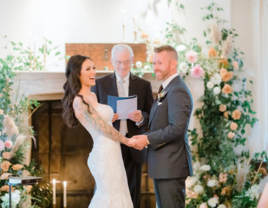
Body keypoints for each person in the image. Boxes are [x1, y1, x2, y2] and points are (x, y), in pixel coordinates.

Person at [62, 55, 134, 208]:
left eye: (94, 68)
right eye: (88, 69)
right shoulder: (79, 101)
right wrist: (128, 141)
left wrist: (109, 118)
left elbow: (101, 122)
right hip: (104, 154)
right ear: (77, 74)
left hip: (112, 150)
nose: (93, 72)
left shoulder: (92, 95)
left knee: (119, 193)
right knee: (109, 196)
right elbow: (102, 128)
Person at [91, 44, 154, 208]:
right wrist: (106, 120)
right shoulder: (99, 84)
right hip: (109, 146)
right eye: (118, 62)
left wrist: (141, 117)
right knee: (108, 192)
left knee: (133, 195)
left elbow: (151, 115)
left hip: (134, 145)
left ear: (132, 61)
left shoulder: (143, 85)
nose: (122, 66)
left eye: (126, 62)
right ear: (112, 61)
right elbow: (91, 118)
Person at [131, 45, 193, 208]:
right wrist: (143, 118)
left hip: (171, 166)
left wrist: (147, 139)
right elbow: (161, 120)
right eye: (154, 63)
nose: (155, 67)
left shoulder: (178, 90)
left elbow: (177, 128)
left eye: (159, 63)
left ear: (173, 64)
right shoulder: (167, 88)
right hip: (163, 166)